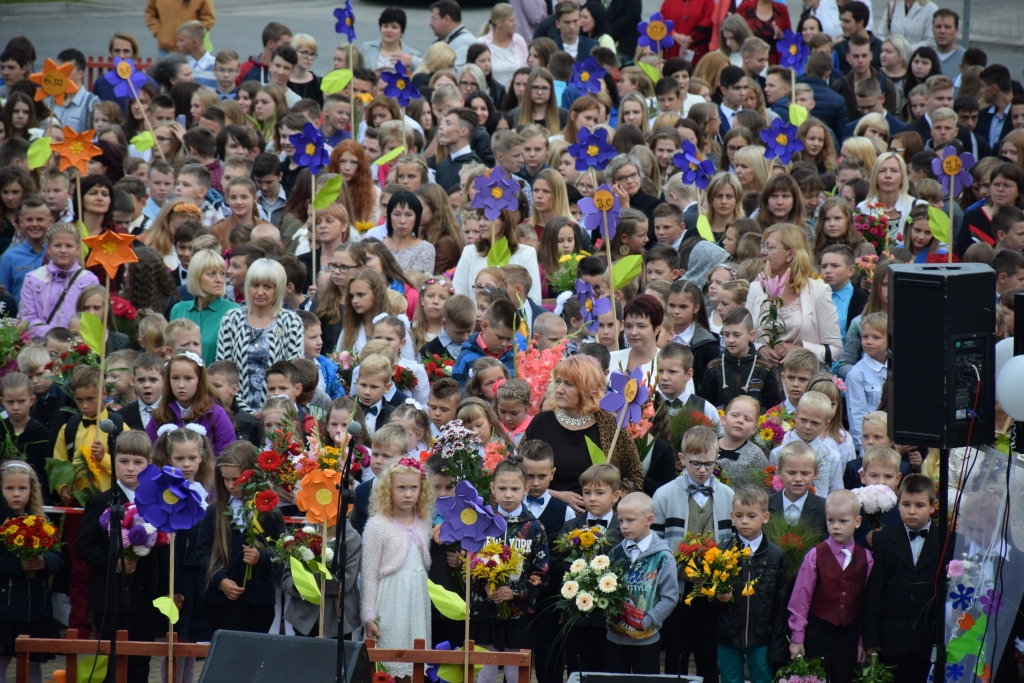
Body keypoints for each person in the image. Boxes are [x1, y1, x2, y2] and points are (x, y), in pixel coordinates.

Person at [652, 425, 734, 680]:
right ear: (682, 458)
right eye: (695, 463)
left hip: (712, 590)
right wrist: (679, 571)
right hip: (677, 590)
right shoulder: (664, 495)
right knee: (677, 652)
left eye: (709, 464)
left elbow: (732, 544)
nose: (702, 470)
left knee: (708, 653)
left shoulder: (727, 495)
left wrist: (719, 573)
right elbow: (656, 543)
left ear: (717, 458)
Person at [77, 432, 158, 683]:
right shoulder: (101, 501)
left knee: (140, 662)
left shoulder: (155, 503)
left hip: (145, 598)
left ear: (149, 465)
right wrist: (116, 563)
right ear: (114, 462)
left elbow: (164, 548)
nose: (130, 468)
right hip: (111, 597)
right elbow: (84, 546)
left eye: (138, 462)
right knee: (112, 664)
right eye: (124, 461)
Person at [523, 355, 644, 508]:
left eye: (568, 384)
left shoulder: (610, 424)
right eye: (558, 382)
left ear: (587, 389)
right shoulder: (541, 422)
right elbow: (516, 474)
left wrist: (603, 500)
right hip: (547, 511)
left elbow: (635, 477)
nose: (559, 390)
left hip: (594, 517)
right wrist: (555, 496)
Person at [471, 457, 548, 683]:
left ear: (526, 489)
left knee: (515, 672)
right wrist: (485, 586)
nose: (508, 494)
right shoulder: (482, 523)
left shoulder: (534, 527)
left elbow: (542, 573)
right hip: (485, 611)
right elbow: (470, 563)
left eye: (514, 489)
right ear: (492, 487)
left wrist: (513, 592)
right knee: (486, 670)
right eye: (502, 488)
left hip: (519, 613)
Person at [196, 441, 283, 633]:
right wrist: (220, 580)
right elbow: (202, 553)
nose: (230, 485)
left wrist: (261, 557)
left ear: (253, 475)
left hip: (258, 602)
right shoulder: (215, 511)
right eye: (225, 479)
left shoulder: (269, 512)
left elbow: (282, 556)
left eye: (236, 479)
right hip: (220, 602)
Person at [787, 489, 871, 683]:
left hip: (849, 634)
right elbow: (801, 599)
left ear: (857, 522)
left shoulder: (866, 558)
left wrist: (861, 640)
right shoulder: (815, 555)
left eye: (843, 521)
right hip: (819, 633)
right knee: (816, 677)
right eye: (831, 520)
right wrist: (797, 637)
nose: (836, 526)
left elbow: (866, 603)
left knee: (846, 678)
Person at [360, 456, 433, 678]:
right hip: (391, 600)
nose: (408, 494)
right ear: (388, 489)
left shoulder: (424, 520)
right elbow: (369, 575)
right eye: (401, 488)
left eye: (414, 488)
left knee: (416, 658)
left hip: (417, 599)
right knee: (391, 660)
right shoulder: (377, 525)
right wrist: (369, 615)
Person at [862, 474, 938, 683]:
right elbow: (874, 592)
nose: (912, 511)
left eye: (919, 505)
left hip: (930, 640)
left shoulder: (945, 540)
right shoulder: (883, 540)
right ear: (898, 505)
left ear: (932, 506)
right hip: (892, 640)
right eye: (906, 504)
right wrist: (871, 637)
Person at [716, 485, 789, 683]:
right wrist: (718, 597)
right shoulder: (722, 552)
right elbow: (710, 596)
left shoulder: (775, 555)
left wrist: (777, 643)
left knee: (762, 679)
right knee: (729, 680)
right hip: (728, 635)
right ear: (732, 516)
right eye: (739, 516)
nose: (745, 521)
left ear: (765, 517)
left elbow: (780, 603)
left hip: (761, 637)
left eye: (751, 516)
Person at [747, 223, 842, 368]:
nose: (763, 252)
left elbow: (835, 350)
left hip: (802, 375)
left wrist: (801, 349)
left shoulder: (818, 291)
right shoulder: (756, 288)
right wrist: (760, 349)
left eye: (770, 247)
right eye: (763, 246)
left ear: (790, 254)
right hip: (763, 375)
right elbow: (744, 337)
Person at [215, 259, 304, 411]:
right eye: (255, 285)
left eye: (267, 287)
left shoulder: (291, 322)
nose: (260, 292)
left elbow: (292, 374)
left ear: (278, 289)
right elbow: (223, 372)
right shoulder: (231, 319)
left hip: (278, 412)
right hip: (234, 411)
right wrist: (244, 410)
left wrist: (270, 411)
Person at [0, 460, 61, 683]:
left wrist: (45, 562)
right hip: (4, 609)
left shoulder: (43, 522)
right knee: (2, 659)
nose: (16, 494)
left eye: (22, 488)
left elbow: (59, 557)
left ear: (31, 490)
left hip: (36, 607)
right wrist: (18, 565)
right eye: (9, 488)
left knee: (33, 662)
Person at [606, 492, 679, 674]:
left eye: (630, 520)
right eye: (620, 520)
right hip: (615, 637)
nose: (624, 526)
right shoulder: (614, 553)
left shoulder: (663, 557)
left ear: (649, 519)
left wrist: (648, 621)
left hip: (646, 639)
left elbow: (670, 597)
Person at [21, 223, 99, 342]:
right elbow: (27, 317)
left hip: (78, 346)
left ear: (78, 249)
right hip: (42, 345)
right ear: (48, 248)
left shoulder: (89, 280)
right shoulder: (33, 278)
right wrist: (55, 336)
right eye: (57, 245)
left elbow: (93, 318)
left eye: (69, 246)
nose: (63, 250)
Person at [698, 308, 784, 412]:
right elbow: (706, 406)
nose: (730, 340)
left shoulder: (765, 368)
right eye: (726, 334)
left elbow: (773, 408)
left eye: (736, 335)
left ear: (751, 335)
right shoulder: (714, 367)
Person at [168, 249, 240, 367]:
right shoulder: (178, 309)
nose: (219, 279)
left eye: (222, 273)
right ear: (196, 276)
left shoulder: (233, 311)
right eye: (212, 274)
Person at [845, 312, 887, 451]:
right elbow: (857, 418)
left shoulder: (897, 369)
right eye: (865, 337)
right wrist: (865, 452)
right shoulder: (856, 374)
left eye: (876, 337)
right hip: (870, 447)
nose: (868, 342)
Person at [768, 441, 827, 536]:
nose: (798, 479)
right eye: (791, 473)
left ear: (815, 474)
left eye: (805, 473)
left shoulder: (825, 508)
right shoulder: (765, 505)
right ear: (779, 472)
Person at [715, 395, 768, 488]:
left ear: (754, 428)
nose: (740, 421)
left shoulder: (755, 455)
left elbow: (763, 488)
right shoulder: (707, 444)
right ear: (723, 419)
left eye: (747, 419)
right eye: (735, 415)